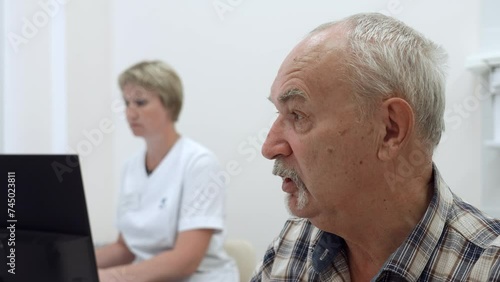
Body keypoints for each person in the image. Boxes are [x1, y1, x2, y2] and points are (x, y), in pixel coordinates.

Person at [251, 13, 500, 281]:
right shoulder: (291, 246)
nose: (270, 147)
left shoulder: (488, 269)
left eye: (297, 115)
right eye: (278, 113)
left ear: (390, 129)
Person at [95, 60, 238, 282]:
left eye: (140, 102)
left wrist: (111, 276)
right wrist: (70, 265)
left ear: (170, 105)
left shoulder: (199, 163)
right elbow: (125, 248)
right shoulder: (131, 168)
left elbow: (185, 261)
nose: (130, 113)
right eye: (126, 102)